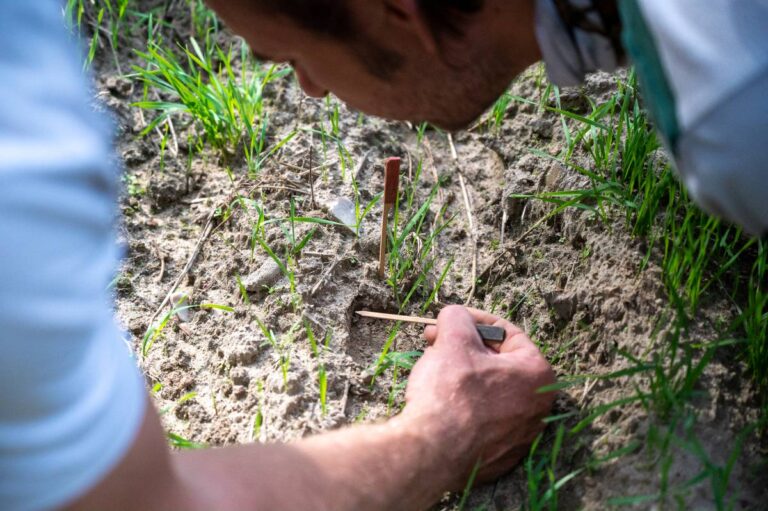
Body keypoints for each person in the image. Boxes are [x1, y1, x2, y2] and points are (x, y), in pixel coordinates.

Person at [1, 1, 765, 510]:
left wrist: (442, 437)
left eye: (291, 58)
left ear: (403, 10)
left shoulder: (737, 119)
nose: (305, 86)